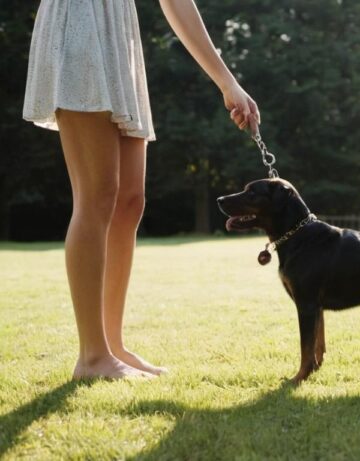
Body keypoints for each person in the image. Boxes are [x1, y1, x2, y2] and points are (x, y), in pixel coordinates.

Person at [23, 0, 259, 380]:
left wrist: (227, 82)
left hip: (119, 32)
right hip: (81, 20)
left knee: (129, 202)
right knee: (97, 196)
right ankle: (92, 356)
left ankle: (112, 344)